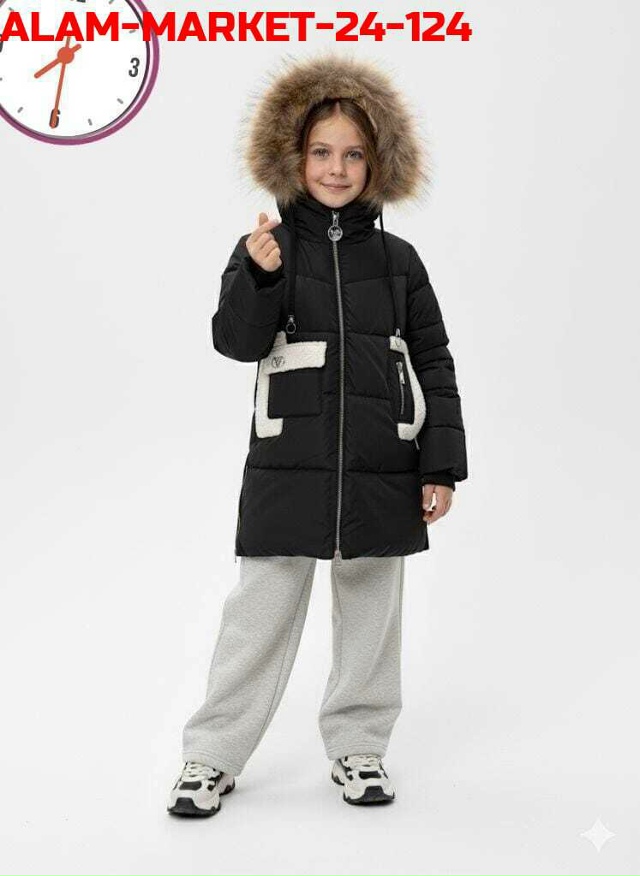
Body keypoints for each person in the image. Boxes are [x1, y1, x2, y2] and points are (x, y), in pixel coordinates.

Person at [167, 53, 468, 816]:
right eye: (322, 152)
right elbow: (235, 341)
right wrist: (258, 276)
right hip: (286, 463)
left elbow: (433, 362)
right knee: (259, 614)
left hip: (383, 464)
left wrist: (439, 465)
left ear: (378, 162)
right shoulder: (269, 249)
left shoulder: (400, 263)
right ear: (293, 158)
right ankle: (211, 756)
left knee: (372, 615)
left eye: (354, 154)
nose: (337, 169)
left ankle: (360, 746)